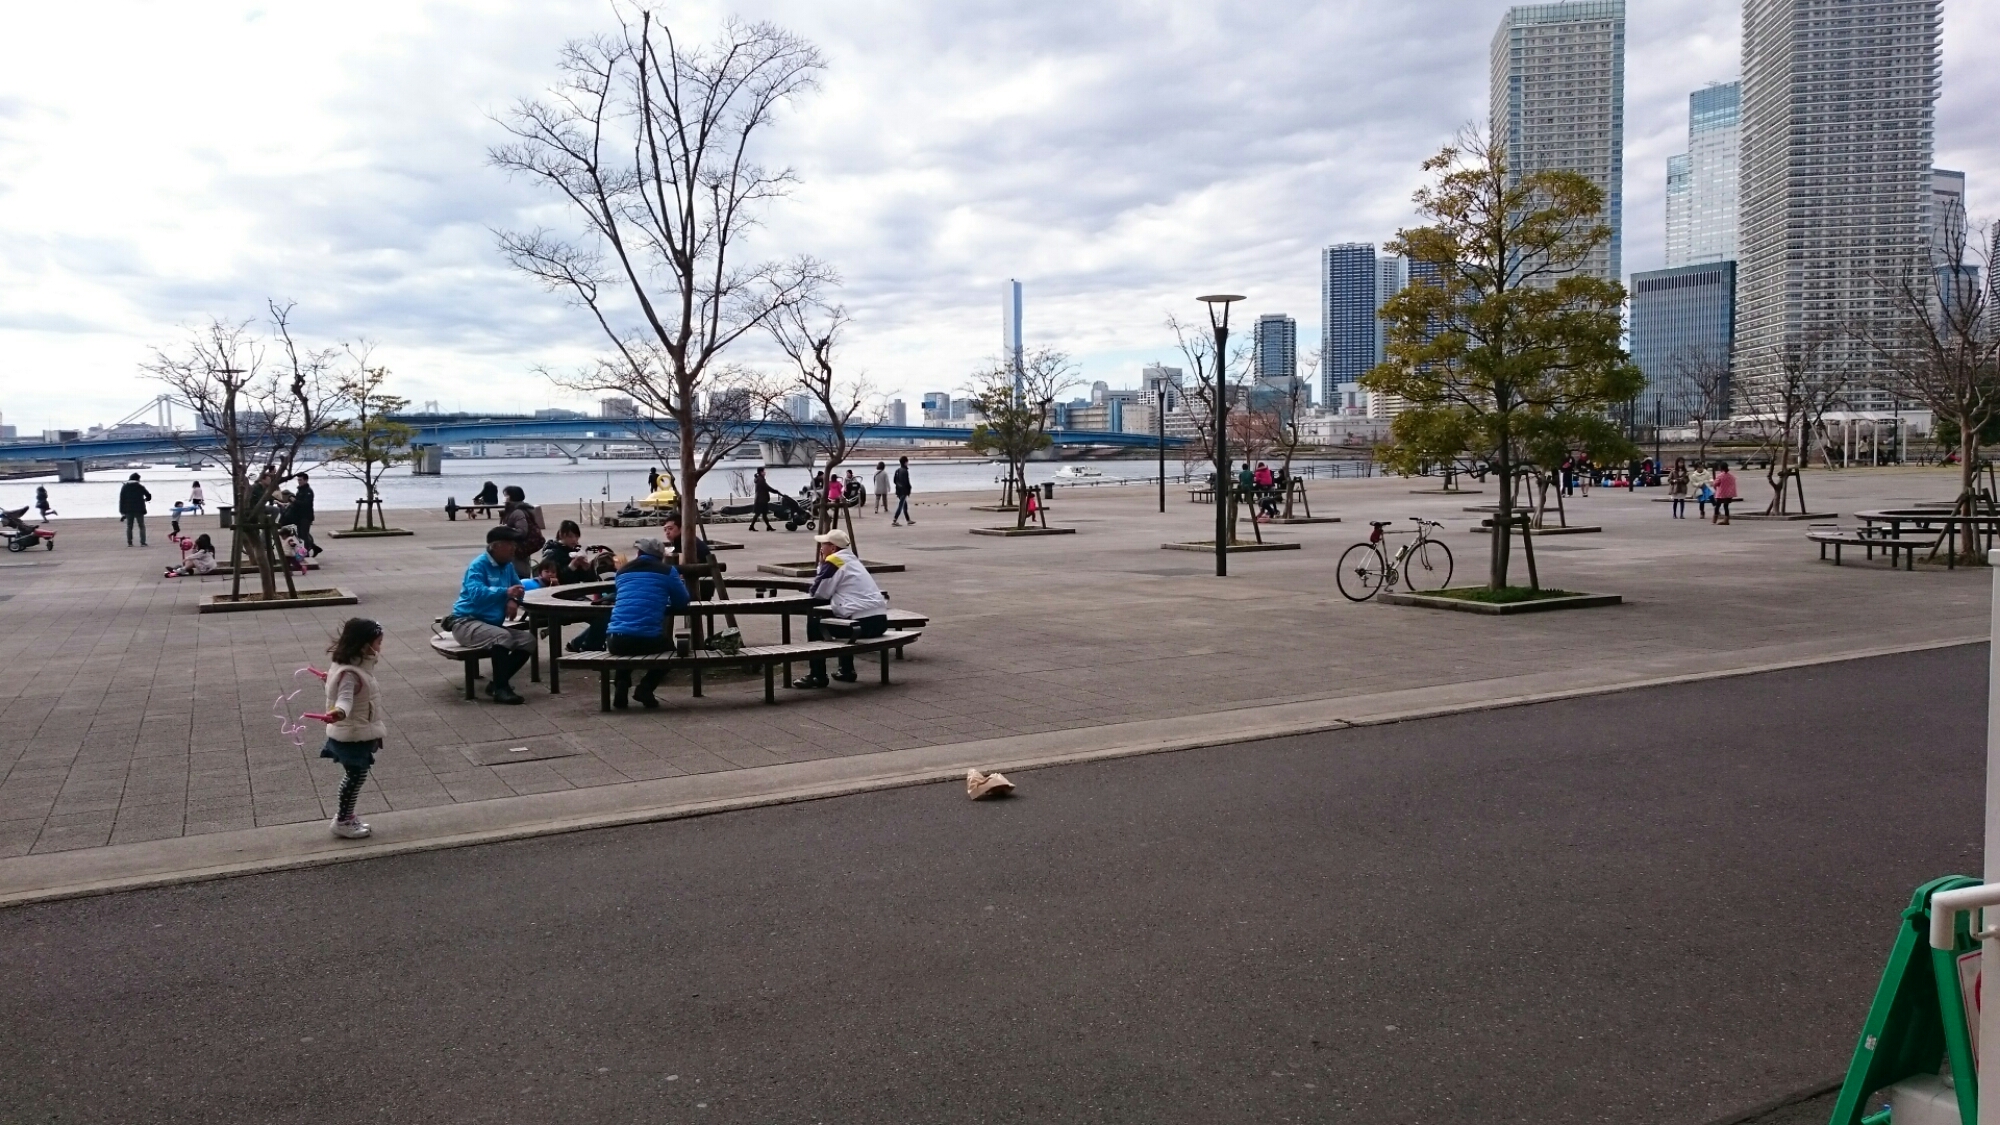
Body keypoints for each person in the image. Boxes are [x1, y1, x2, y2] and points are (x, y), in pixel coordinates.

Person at [791, 529, 889, 690]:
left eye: (823, 544)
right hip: (880, 622)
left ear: (833, 548)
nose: (821, 548)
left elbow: (819, 592)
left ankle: (817, 676)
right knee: (842, 619)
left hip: (862, 625)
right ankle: (846, 670)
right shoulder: (853, 560)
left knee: (815, 624)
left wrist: (822, 564)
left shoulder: (834, 561)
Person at [447, 526, 534, 704]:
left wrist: (513, 600)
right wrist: (505, 593)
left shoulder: (508, 566)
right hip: (466, 622)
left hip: (490, 625)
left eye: (514, 544)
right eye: (510, 544)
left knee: (528, 641)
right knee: (502, 637)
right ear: (496, 546)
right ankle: (501, 689)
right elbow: (476, 594)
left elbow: (519, 589)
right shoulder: (478, 566)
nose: (514, 548)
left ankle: (496, 683)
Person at [319, 617, 388, 839]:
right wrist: (340, 711)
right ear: (364, 645)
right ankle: (343, 820)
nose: (380, 647)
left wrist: (330, 681)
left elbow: (342, 689)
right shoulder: (350, 673)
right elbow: (345, 699)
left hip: (356, 730)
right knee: (355, 776)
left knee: (356, 775)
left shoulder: (352, 666)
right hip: (352, 734)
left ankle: (346, 817)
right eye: (378, 642)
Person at [605, 537, 691, 709]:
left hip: (615, 639)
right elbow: (682, 601)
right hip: (647, 639)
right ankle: (645, 687)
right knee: (671, 651)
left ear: (639, 553)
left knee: (626, 645)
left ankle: (621, 683)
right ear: (661, 556)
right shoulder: (668, 571)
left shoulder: (622, 572)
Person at [500, 486, 545, 575]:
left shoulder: (517, 512)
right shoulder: (519, 509)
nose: (504, 498)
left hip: (518, 547)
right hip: (522, 548)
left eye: (506, 495)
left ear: (512, 496)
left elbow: (522, 531)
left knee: (519, 571)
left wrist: (505, 530)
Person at [285, 473, 320, 557]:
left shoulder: (308, 491)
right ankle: (311, 548)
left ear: (306, 480)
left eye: (300, 480)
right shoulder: (300, 490)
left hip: (306, 516)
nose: (299, 481)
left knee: (304, 535)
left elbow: (306, 504)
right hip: (299, 516)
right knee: (301, 535)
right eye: (298, 480)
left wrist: (295, 501)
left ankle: (306, 553)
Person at [118, 472, 152, 547]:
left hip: (128, 510)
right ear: (137, 479)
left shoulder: (125, 487)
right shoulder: (140, 487)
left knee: (129, 526)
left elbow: (121, 499)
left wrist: (122, 511)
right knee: (141, 526)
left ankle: (130, 543)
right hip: (139, 509)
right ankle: (143, 542)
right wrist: (146, 499)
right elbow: (149, 495)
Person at [892, 456, 914, 526]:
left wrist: (898, 486)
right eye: (907, 462)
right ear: (905, 462)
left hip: (898, 490)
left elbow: (894, 481)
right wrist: (909, 489)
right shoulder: (905, 471)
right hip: (903, 491)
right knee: (901, 505)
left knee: (904, 505)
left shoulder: (897, 470)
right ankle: (895, 520)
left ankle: (908, 520)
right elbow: (906, 482)